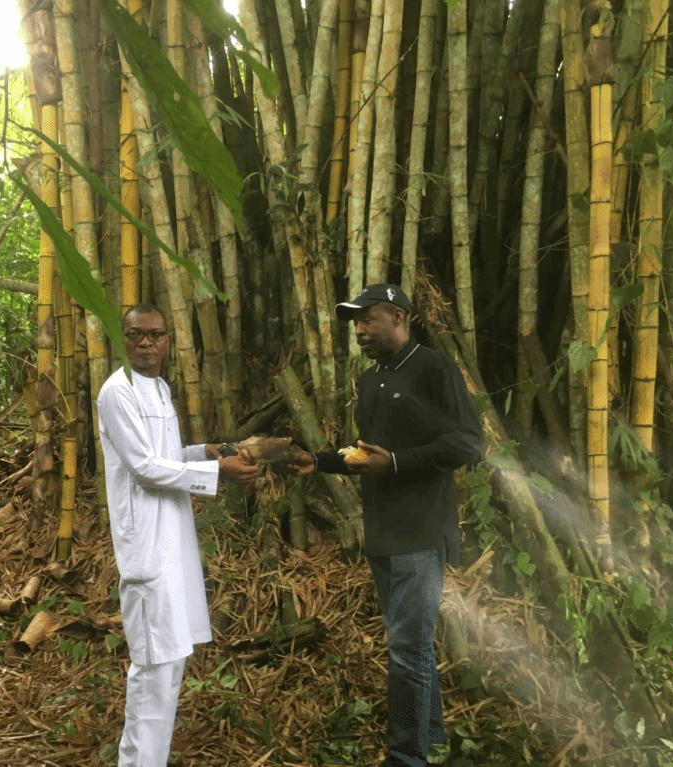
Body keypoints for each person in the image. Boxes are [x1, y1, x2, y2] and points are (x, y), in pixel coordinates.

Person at [284, 284, 482, 767]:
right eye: (355, 322)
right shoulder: (371, 379)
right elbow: (367, 453)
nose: (358, 330)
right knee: (412, 647)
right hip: (383, 531)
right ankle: (431, 741)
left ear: (398, 316)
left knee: (406, 650)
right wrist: (320, 461)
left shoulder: (434, 368)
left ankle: (405, 757)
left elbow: (468, 443)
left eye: (367, 319)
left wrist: (396, 462)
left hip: (420, 531)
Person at [97, 304, 259, 767]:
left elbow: (164, 456)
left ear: (168, 340)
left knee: (170, 664)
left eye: (155, 335)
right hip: (147, 546)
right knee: (153, 669)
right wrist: (219, 472)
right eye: (136, 335)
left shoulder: (161, 387)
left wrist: (202, 451)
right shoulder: (118, 391)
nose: (146, 343)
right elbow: (145, 469)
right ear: (123, 339)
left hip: (173, 542)